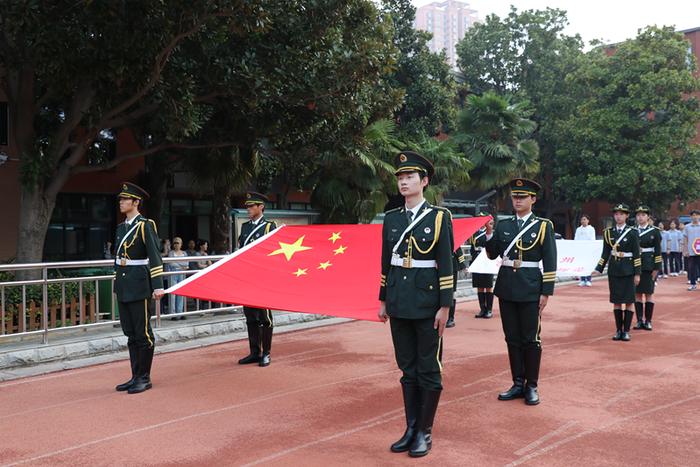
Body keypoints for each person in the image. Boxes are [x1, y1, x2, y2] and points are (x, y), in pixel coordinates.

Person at [378, 151, 454, 457]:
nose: (403, 182)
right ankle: (410, 428)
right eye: (400, 177)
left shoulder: (439, 217)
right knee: (407, 368)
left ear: (424, 182)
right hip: (399, 301)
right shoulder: (392, 218)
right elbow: (386, 262)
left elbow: (446, 263)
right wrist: (383, 299)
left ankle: (425, 431)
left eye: (409, 177)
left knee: (428, 368)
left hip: (427, 303)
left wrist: (445, 306)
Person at [485, 178, 557, 406]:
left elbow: (550, 261)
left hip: (530, 288)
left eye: (522, 197)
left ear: (533, 199)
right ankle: (517, 383)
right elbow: (492, 254)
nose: (517, 200)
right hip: (507, 287)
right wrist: (488, 235)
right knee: (512, 338)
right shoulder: (504, 225)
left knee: (531, 338)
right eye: (515, 197)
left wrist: (546, 292)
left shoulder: (543, 226)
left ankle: (532, 385)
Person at [113, 182, 164, 394]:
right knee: (130, 333)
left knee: (143, 333)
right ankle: (135, 376)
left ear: (136, 202)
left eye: (125, 199)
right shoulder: (121, 227)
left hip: (140, 284)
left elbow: (154, 256)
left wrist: (158, 286)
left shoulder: (145, 225)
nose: (121, 202)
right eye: (121, 199)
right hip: (125, 284)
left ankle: (144, 377)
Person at [237, 192, 278, 367]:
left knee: (264, 317)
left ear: (261, 207)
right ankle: (254, 352)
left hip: (263, 278)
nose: (248, 209)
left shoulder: (270, 226)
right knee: (250, 316)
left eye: (251, 206)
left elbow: (275, 251)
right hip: (247, 277)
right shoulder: (245, 227)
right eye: (247, 206)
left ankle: (266, 353)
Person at [594, 204, 641, 342]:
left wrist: (637, 274)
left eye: (621, 214)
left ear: (626, 216)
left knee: (628, 301)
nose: (618, 216)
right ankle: (618, 330)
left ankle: (626, 331)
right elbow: (605, 253)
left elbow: (637, 254)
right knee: (616, 301)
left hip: (628, 271)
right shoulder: (608, 232)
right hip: (614, 270)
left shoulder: (632, 232)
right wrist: (598, 268)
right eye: (616, 214)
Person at [633, 206, 662, 331]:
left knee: (649, 294)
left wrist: (656, 268)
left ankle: (648, 321)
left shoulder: (654, 231)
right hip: (635, 266)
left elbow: (658, 251)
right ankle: (639, 320)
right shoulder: (632, 231)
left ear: (648, 217)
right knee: (637, 294)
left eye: (643, 215)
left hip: (648, 265)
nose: (640, 217)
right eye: (638, 215)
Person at [470, 215, 495, 319]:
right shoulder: (474, 233)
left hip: (486, 261)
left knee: (488, 286)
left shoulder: (489, 232)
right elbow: (472, 248)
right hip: (477, 262)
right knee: (479, 286)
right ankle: (482, 309)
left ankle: (489, 309)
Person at [445, 243, 467, 328]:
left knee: (451, 293)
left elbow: (458, 251)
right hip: (440, 266)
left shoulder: (454, 237)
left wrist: (463, 266)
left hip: (452, 267)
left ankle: (450, 318)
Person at [167, 237, 189, 320]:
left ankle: (180, 312)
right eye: (175, 243)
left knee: (181, 293)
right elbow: (171, 264)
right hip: (173, 274)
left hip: (182, 274)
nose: (176, 244)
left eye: (178, 243)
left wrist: (178, 264)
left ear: (181, 244)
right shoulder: (171, 253)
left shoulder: (184, 253)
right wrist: (181, 265)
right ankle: (173, 314)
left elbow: (187, 264)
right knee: (173, 294)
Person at [574, 214, 596, 286]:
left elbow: (592, 239)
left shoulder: (591, 229)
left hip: (588, 249)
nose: (583, 221)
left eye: (584, 219)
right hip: (581, 250)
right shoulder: (578, 229)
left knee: (588, 265)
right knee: (582, 264)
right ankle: (582, 280)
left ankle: (588, 279)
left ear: (588, 221)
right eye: (582, 219)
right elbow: (576, 238)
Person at [683, 209, 700, 291]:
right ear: (690, 217)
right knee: (691, 268)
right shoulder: (687, 227)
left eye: (696, 215)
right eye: (693, 215)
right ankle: (693, 284)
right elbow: (685, 239)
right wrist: (685, 250)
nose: (695, 217)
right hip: (691, 250)